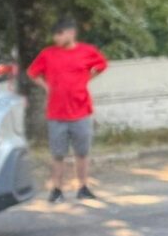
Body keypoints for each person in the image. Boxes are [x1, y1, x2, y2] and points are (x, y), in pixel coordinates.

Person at [27, 19, 108, 203]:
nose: (56, 38)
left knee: (82, 153)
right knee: (58, 154)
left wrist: (87, 78)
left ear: (71, 33)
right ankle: (56, 189)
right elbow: (33, 72)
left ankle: (83, 187)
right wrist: (46, 86)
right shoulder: (48, 54)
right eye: (55, 35)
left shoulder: (86, 51)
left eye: (59, 34)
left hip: (81, 111)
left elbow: (101, 65)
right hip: (57, 113)